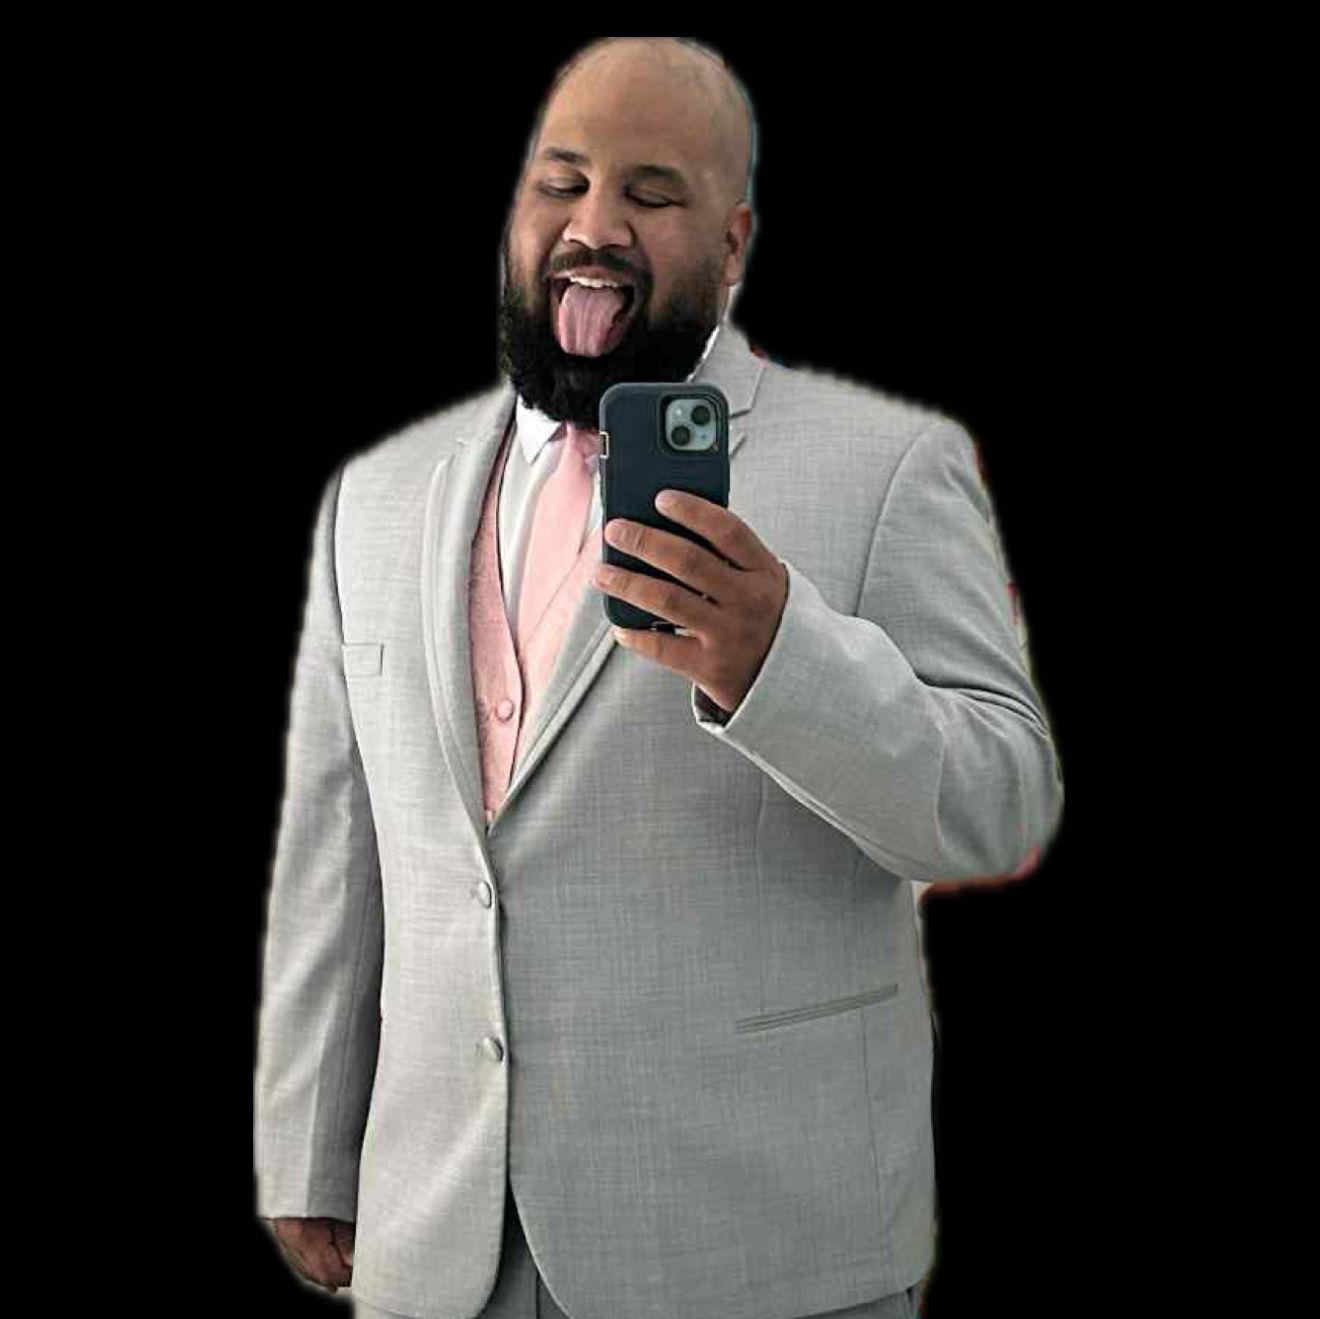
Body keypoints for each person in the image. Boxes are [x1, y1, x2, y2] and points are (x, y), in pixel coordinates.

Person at [254, 36, 1064, 1319]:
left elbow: (1004, 799)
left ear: (733, 243)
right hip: (438, 1238)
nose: (594, 225)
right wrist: (306, 1136)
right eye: (561, 181)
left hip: (755, 1245)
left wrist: (780, 659)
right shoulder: (380, 493)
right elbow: (335, 838)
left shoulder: (889, 465)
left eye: (651, 191)